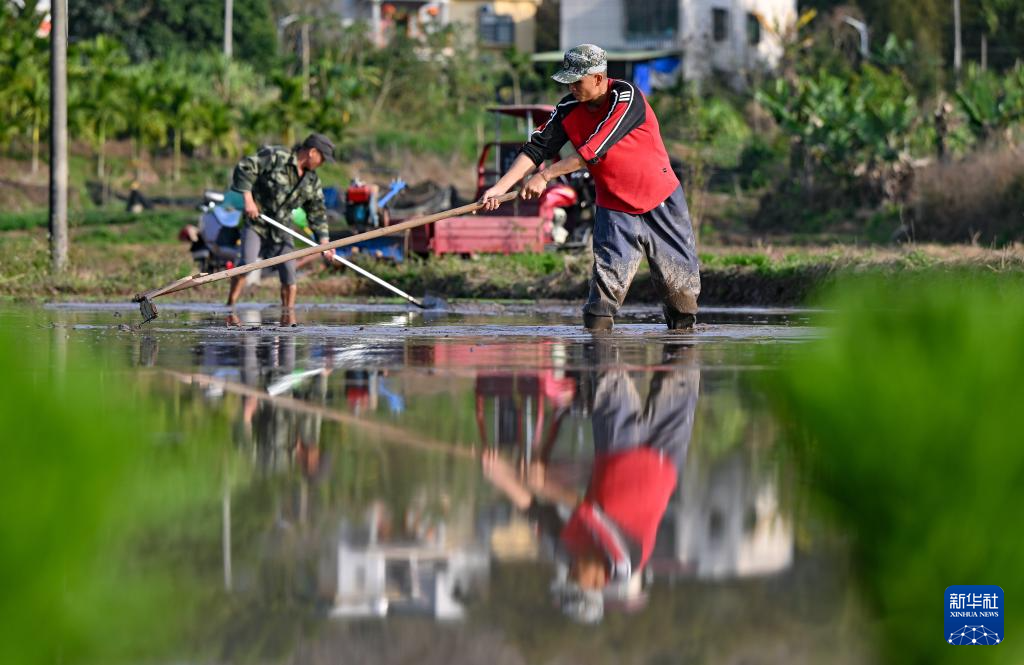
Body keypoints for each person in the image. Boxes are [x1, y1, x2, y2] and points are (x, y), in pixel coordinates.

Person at [480, 44, 700, 331]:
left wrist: (545, 177)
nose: (571, 87)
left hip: (661, 200)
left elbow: (594, 149)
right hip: (614, 207)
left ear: (598, 77)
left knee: (680, 301)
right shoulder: (568, 109)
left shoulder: (626, 97)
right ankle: (600, 364)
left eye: (577, 81)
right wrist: (500, 187)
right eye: (568, 82)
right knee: (599, 308)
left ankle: (681, 349)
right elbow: (536, 149)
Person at [481, 343, 700, 623]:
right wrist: (545, 483)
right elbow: (593, 513)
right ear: (597, 584)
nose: (569, 571)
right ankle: (681, 312)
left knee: (606, 361)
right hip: (664, 458)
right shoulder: (625, 562)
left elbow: (537, 512)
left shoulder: (567, 553)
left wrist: (501, 476)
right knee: (683, 363)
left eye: (568, 575)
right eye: (574, 578)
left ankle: (603, 308)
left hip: (615, 450)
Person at [226, 133, 337, 324]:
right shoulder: (277, 156)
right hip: (257, 222)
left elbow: (317, 211)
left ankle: (288, 317)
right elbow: (245, 167)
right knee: (247, 262)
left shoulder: (312, 180)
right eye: (323, 159)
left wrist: (324, 242)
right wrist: (248, 200)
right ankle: (230, 308)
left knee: (288, 270)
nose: (323, 163)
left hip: (282, 227)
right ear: (312, 152)